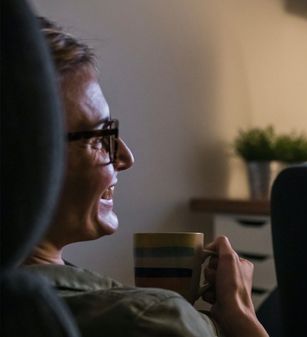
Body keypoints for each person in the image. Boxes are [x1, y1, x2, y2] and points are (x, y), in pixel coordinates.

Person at [24, 17, 268, 337]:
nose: (125, 158)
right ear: (23, 158)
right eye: (100, 138)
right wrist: (243, 314)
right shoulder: (150, 317)